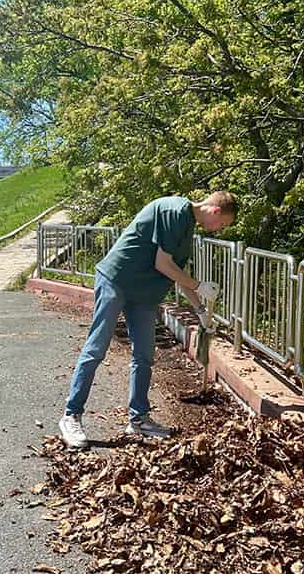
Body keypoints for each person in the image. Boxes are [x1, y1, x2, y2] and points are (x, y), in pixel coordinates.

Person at [58, 191, 238, 448]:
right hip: (116, 281)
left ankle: (139, 419)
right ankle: (71, 415)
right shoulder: (173, 211)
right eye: (223, 224)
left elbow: (178, 272)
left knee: (144, 355)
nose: (219, 229)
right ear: (215, 211)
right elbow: (163, 264)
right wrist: (199, 285)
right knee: (96, 349)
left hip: (142, 295)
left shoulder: (188, 227)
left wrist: (199, 310)